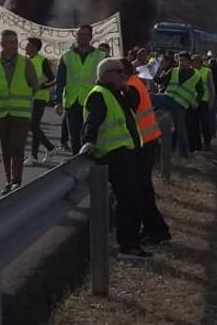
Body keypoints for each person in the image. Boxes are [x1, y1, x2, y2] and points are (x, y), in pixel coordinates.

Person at [79, 57, 149, 260]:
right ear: (106, 74)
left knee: (132, 199)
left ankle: (131, 243)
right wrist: (89, 140)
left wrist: (125, 88)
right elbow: (93, 121)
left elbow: (135, 101)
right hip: (113, 154)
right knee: (129, 200)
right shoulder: (99, 95)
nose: (124, 75)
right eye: (119, 72)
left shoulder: (117, 93)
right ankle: (128, 246)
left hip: (125, 153)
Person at [124, 60, 170, 245]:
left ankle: (155, 230)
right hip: (147, 140)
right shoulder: (136, 82)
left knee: (141, 190)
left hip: (142, 143)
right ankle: (154, 229)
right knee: (143, 189)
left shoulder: (131, 87)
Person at [0, 30, 38, 194]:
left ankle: (16, 181)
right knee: (5, 148)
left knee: (17, 147)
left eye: (15, 42)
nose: (14, 45)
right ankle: (8, 180)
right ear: (1, 45)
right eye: (10, 42)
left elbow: (34, 85)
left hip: (20, 113)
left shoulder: (25, 63)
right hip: (0, 113)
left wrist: (25, 99)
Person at [55, 25, 103, 154]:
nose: (82, 37)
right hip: (73, 102)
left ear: (91, 37)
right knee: (74, 138)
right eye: (79, 34)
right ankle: (76, 163)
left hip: (92, 102)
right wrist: (58, 101)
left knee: (89, 136)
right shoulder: (67, 56)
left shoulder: (100, 56)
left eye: (85, 34)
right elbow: (60, 80)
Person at [155, 52, 199, 158]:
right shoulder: (173, 71)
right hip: (168, 98)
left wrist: (196, 101)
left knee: (181, 130)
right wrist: (152, 75)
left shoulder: (196, 76)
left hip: (180, 105)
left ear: (189, 62)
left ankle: (185, 153)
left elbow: (200, 91)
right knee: (150, 97)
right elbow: (161, 81)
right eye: (180, 61)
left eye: (183, 60)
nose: (181, 63)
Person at [26, 37, 57, 164]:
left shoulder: (42, 60)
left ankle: (35, 155)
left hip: (40, 96)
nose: (26, 47)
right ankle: (48, 149)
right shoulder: (26, 60)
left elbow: (53, 79)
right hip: (28, 97)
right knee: (32, 125)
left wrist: (41, 86)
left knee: (33, 125)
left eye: (28, 45)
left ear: (34, 47)